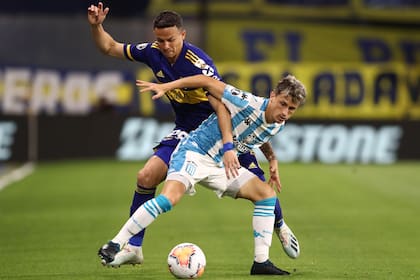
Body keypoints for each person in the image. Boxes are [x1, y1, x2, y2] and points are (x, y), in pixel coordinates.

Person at [87, 2, 299, 267]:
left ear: (183, 35)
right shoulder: (153, 52)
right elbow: (109, 47)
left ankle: (280, 226)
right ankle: (133, 247)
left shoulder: (199, 65)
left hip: (220, 131)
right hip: (188, 133)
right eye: (160, 40)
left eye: (171, 40)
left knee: (264, 190)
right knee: (146, 175)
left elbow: (224, 107)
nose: (165, 46)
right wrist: (97, 26)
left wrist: (229, 146)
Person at [98, 74, 307, 275]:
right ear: (272, 95)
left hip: (220, 165)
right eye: (282, 103)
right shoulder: (247, 102)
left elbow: (260, 135)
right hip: (194, 153)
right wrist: (167, 86)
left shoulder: (278, 122)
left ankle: (261, 262)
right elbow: (206, 81)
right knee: (169, 199)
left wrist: (272, 159)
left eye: (291, 109)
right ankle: (116, 243)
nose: (285, 112)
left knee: (267, 196)